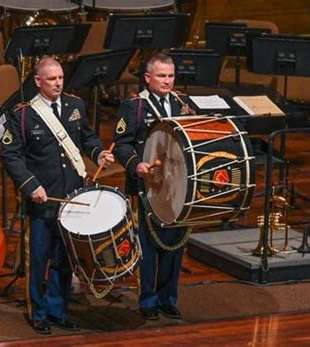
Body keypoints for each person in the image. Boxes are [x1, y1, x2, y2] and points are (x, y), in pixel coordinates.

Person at [1, 57, 114, 335]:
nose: (58, 83)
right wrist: (31, 186)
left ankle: (58, 310)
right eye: (52, 79)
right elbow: (10, 155)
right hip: (43, 199)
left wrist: (98, 152)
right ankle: (38, 313)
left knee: (65, 260)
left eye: (61, 78)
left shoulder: (75, 106)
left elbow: (87, 137)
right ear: (38, 81)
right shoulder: (23, 114)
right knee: (39, 260)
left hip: (72, 196)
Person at [113, 53, 194, 321]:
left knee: (174, 243)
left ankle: (168, 297)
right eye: (161, 76)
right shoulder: (134, 106)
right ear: (148, 78)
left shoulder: (182, 103)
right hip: (146, 185)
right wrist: (136, 164)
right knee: (147, 247)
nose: (167, 81)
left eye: (171, 76)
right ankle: (147, 299)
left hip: (178, 185)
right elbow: (122, 143)